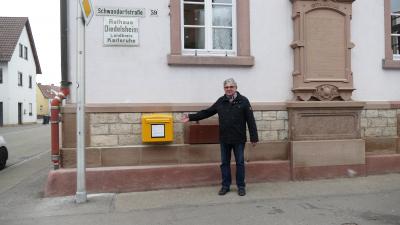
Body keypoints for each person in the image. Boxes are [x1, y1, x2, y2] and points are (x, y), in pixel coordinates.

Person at [182, 78, 258, 196]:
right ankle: (225, 186)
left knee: (240, 163)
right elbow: (207, 112)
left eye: (231, 87)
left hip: (239, 138)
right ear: (224, 89)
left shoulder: (243, 101)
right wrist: (191, 117)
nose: (229, 89)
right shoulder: (221, 101)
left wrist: (254, 137)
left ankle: (241, 186)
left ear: (236, 88)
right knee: (224, 163)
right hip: (225, 138)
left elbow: (250, 120)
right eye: (226, 87)